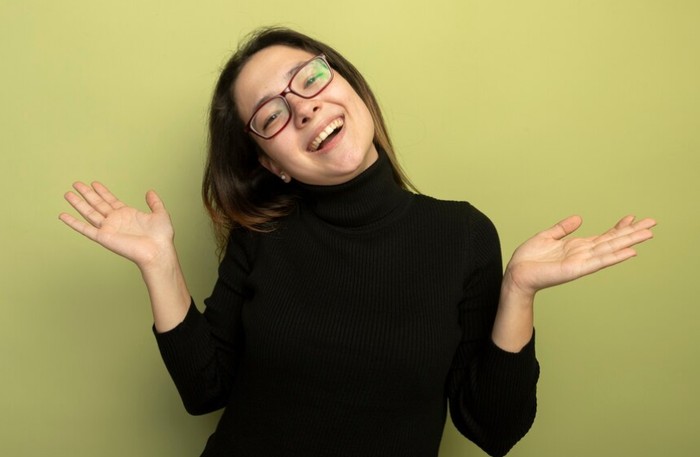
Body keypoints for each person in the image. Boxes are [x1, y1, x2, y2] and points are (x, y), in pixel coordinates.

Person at [59, 27, 656, 457]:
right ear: (273, 165)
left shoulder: (463, 235)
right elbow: (204, 390)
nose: (303, 108)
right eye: (270, 115)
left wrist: (519, 291)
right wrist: (160, 264)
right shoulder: (261, 237)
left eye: (310, 78)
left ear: (353, 88)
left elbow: (495, 431)